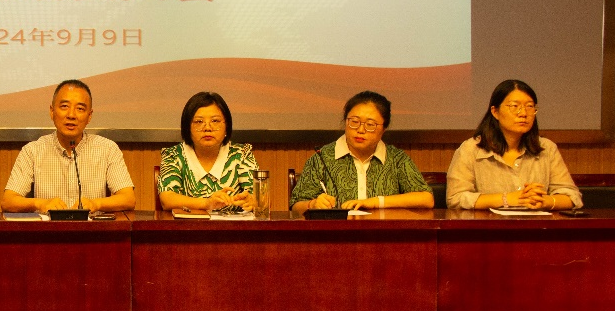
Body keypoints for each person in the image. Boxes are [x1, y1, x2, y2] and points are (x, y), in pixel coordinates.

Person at [1, 79, 136, 213]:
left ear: (89, 116)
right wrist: (40, 203)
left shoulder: (107, 149)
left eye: (80, 109)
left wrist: (95, 204)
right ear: (52, 111)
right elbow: (8, 201)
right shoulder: (33, 151)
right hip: (48, 227)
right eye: (64, 106)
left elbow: (128, 198)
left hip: (91, 226)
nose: (71, 115)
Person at [446, 79, 581, 210]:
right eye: (514, 106)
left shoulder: (547, 148)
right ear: (495, 112)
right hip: (491, 224)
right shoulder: (471, 149)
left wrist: (544, 201)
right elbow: (456, 198)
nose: (523, 113)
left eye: (529, 106)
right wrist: (506, 199)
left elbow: (572, 196)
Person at [289, 91, 433, 213]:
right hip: (336, 235)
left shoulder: (397, 159)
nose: (360, 130)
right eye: (354, 122)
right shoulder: (322, 157)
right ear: (345, 121)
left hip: (384, 234)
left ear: (383, 129)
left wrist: (375, 202)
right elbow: (295, 206)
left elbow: (426, 199)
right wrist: (312, 204)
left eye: (370, 124)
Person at [157, 91, 257, 211]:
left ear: (227, 126)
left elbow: (260, 197)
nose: (208, 128)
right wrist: (207, 203)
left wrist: (253, 201)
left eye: (215, 121)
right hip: (188, 223)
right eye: (199, 122)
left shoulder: (241, 154)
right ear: (187, 127)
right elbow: (167, 199)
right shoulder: (173, 155)